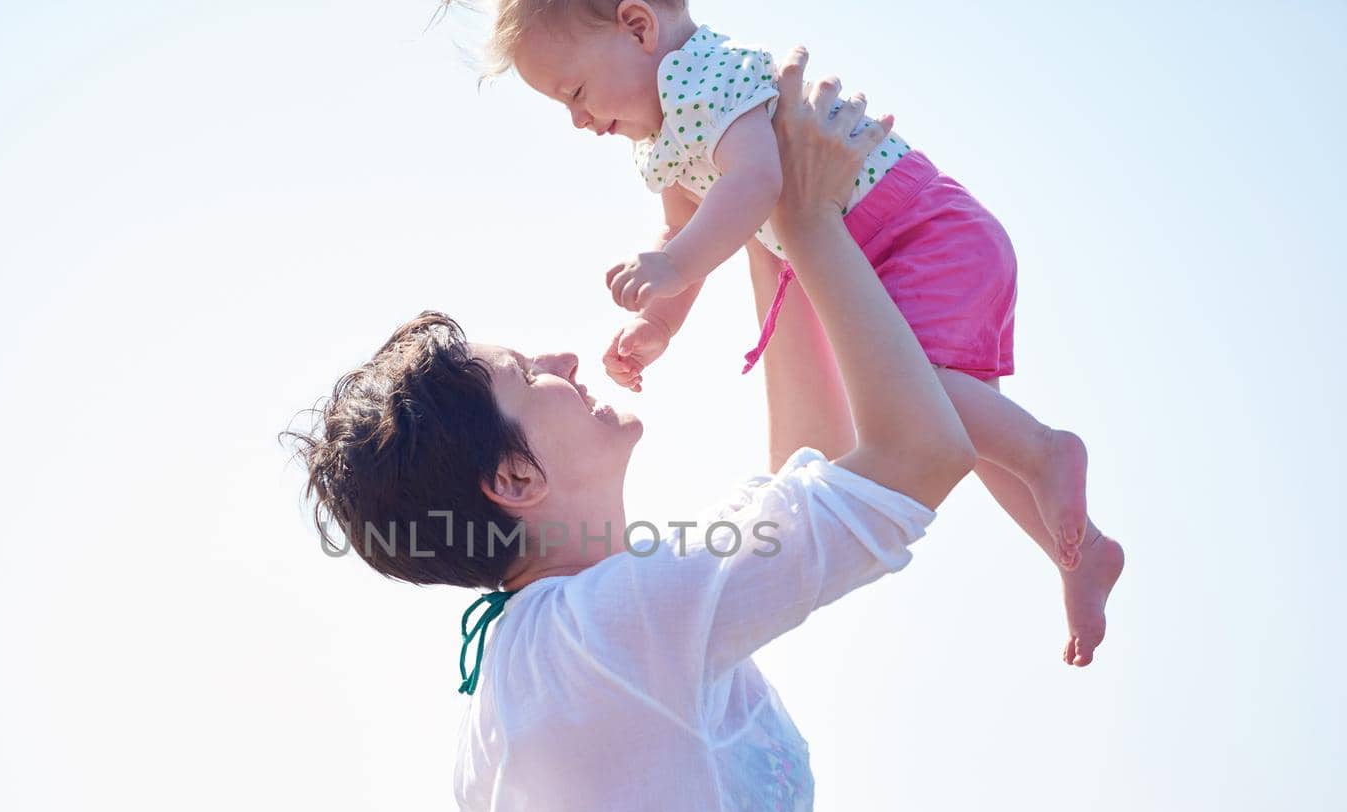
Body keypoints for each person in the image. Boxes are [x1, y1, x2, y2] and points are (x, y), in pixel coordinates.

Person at [285, 54, 974, 812]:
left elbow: (805, 475)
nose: (563, 359)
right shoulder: (607, 633)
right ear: (514, 479)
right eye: (529, 375)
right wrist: (820, 225)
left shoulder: (570, 641)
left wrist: (767, 225)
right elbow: (916, 460)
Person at [469, 0, 1125, 666]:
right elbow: (686, 229)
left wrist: (672, 265)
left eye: (575, 93)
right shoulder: (660, 136)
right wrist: (657, 322)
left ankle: (1050, 452)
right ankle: (1078, 551)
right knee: (972, 434)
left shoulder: (701, 76)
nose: (578, 119)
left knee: (913, 396)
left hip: (917, 232)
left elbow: (756, 182)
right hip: (883, 255)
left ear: (638, 27)